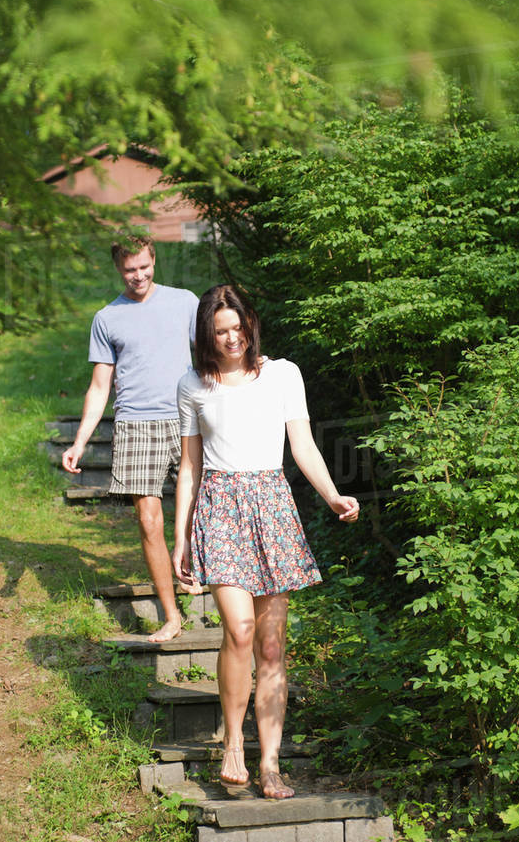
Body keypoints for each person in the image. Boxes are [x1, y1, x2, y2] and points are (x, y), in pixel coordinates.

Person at [171, 284, 359, 800]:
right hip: (220, 507)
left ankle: (271, 763)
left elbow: (303, 445)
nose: (232, 339)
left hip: (272, 507)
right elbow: (189, 465)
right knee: (240, 627)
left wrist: (333, 495)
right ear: (206, 336)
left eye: (238, 328)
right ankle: (234, 744)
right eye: (220, 332)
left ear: (250, 324)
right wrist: (180, 537)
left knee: (272, 645)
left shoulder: (283, 374)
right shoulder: (193, 384)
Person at [62, 237, 201, 642]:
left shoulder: (184, 302)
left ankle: (192, 566)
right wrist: (80, 441)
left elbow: (214, 351)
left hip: (187, 417)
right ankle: (171, 616)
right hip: (137, 425)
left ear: (154, 261)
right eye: (129, 270)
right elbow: (99, 385)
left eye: (144, 267)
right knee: (147, 520)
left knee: (201, 506)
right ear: (118, 270)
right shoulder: (107, 318)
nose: (138, 276)